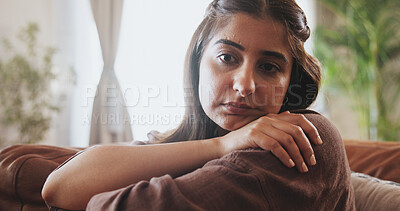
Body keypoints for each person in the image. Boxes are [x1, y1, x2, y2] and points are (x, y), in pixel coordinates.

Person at [42, 0, 355, 210]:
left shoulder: (305, 139)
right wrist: (219, 145)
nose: (244, 85)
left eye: (269, 67)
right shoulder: (194, 141)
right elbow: (59, 185)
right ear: (197, 64)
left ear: (291, 82)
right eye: (227, 58)